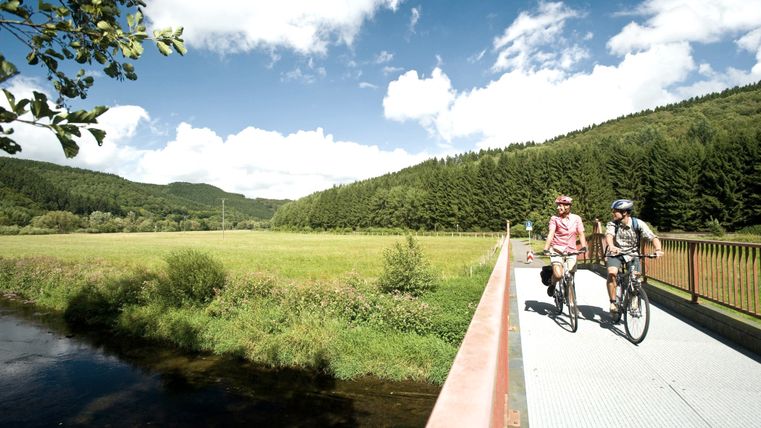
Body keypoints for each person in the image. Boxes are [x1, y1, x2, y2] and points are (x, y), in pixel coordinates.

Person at [605, 199, 664, 314]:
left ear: (624, 212)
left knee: (635, 278)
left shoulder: (638, 224)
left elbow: (653, 237)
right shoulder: (613, 224)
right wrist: (611, 246)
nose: (613, 213)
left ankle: (634, 299)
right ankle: (613, 302)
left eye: (615, 211)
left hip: (632, 254)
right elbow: (609, 235)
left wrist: (658, 250)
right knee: (612, 274)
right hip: (616, 253)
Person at [542, 195, 588, 296]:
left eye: (560, 205)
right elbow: (551, 233)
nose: (558, 208)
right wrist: (546, 248)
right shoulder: (554, 219)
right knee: (558, 275)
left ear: (567, 206)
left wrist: (584, 246)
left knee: (570, 276)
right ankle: (553, 284)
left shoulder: (576, 218)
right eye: (558, 205)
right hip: (557, 250)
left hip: (572, 251)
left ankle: (571, 299)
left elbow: (581, 233)